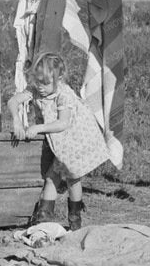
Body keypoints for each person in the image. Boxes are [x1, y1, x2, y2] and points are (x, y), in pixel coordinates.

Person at [18, 52, 112, 230]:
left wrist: (37, 128)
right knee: (52, 178)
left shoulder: (64, 95)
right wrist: (16, 119)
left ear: (59, 78)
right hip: (60, 142)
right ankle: (44, 219)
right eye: (37, 81)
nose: (41, 87)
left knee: (72, 179)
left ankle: (74, 218)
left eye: (45, 83)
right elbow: (14, 100)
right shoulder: (38, 90)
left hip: (75, 138)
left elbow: (63, 123)